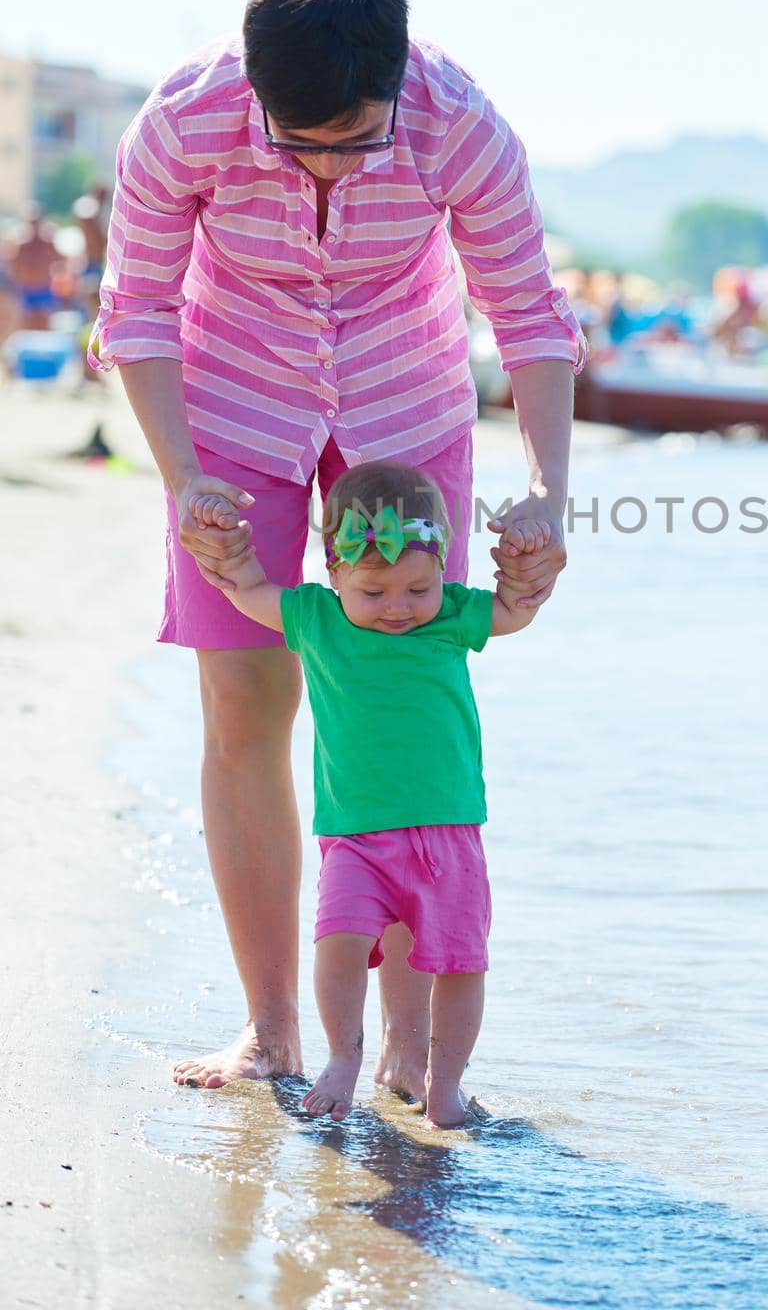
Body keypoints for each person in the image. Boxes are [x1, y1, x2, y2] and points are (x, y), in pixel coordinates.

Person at [89, 0, 587, 1093]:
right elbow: (138, 309)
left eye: (352, 139)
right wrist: (184, 481)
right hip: (230, 404)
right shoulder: (184, 122)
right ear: (255, 89)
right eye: (298, 138)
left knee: (403, 703)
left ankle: (411, 1057)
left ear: (396, 88)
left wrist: (549, 496)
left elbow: (529, 312)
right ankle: (273, 1029)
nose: (323, 162)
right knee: (244, 699)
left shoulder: (459, 125)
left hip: (404, 404)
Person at [203, 457, 544, 1125]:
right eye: (374, 592)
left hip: (449, 833)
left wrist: (522, 559)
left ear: (442, 574)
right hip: (355, 835)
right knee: (339, 943)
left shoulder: (451, 615)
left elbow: (512, 611)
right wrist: (234, 550)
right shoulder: (316, 618)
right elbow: (247, 591)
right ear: (334, 575)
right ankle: (343, 1055)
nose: (398, 609)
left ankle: (443, 1084)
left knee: (460, 963)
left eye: (418, 590)